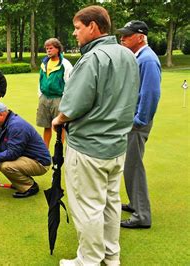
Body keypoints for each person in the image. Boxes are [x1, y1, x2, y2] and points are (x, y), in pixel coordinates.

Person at [51, 6, 139, 266]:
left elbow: (71, 106)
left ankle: (88, 260)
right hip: (117, 145)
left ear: (93, 26)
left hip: (89, 147)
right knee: (111, 203)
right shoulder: (127, 55)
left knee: (88, 207)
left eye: (78, 27)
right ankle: (111, 257)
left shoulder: (92, 58)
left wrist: (58, 119)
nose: (75, 33)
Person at [118, 20, 161, 229]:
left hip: (137, 123)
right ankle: (136, 204)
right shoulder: (140, 57)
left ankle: (142, 215)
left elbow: (150, 94)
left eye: (127, 35)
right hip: (132, 120)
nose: (122, 38)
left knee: (134, 167)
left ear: (140, 36)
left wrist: (138, 121)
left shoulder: (148, 60)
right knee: (130, 166)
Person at [36, 38, 73, 148]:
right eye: (47, 49)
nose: (48, 51)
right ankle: (45, 151)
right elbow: (40, 80)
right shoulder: (44, 63)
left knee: (59, 126)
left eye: (51, 48)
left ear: (58, 49)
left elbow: (69, 82)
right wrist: (40, 95)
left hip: (58, 98)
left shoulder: (65, 64)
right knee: (46, 126)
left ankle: (59, 149)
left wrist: (65, 100)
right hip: (44, 98)